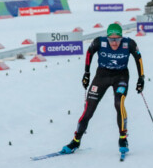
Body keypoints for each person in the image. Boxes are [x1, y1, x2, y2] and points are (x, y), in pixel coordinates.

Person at [61, 23, 144, 155]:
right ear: (107, 37)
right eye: (111, 39)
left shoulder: (129, 44)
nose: (114, 43)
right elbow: (89, 53)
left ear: (122, 38)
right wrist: (86, 73)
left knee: (119, 103)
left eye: (117, 39)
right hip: (102, 76)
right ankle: (76, 141)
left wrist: (141, 78)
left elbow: (138, 59)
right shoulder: (99, 42)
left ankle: (123, 138)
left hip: (121, 77)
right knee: (88, 110)